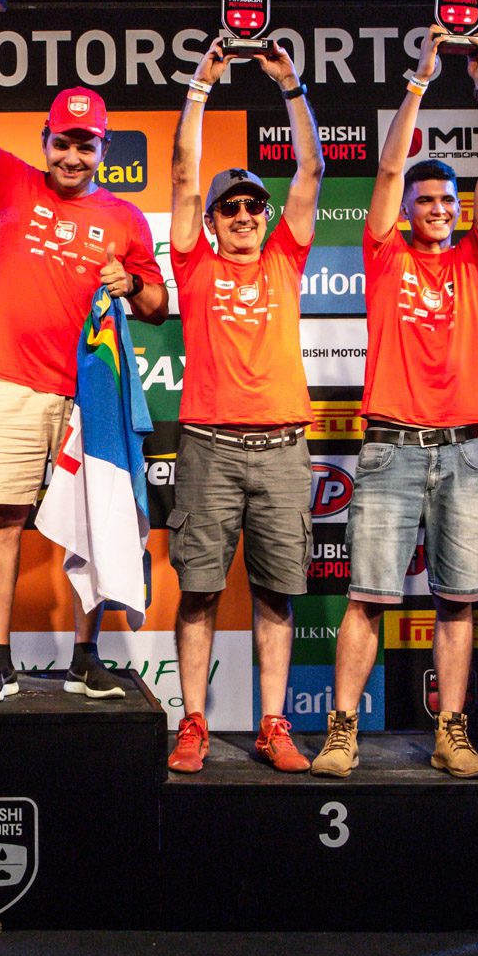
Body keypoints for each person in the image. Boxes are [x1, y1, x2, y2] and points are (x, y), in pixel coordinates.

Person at [0, 1, 169, 703]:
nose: (72, 156)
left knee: (90, 525)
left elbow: (158, 304)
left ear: (103, 149)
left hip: (89, 394)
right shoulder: (15, 183)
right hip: (12, 381)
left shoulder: (125, 218)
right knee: (2, 518)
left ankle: (85, 657)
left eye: (85, 145)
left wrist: (131, 284)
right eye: (62, 143)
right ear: (44, 142)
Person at [309, 26, 478, 779]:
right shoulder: (385, 254)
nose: (437, 207)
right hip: (390, 447)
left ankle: (451, 734)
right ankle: (342, 732)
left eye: (447, 199)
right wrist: (421, 79)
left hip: (462, 452)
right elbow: (389, 165)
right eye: (425, 199)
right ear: (405, 209)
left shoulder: (474, 260)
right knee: (367, 599)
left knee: (458, 602)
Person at [164, 39, 324, 774]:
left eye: (252, 205)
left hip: (284, 450)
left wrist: (291, 87)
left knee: (277, 596)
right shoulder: (193, 263)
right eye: (227, 207)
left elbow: (311, 171)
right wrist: (201, 88)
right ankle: (193, 722)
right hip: (208, 448)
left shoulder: (287, 256)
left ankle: (272, 723)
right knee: (198, 593)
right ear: (211, 220)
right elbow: (182, 176)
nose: (241, 215)